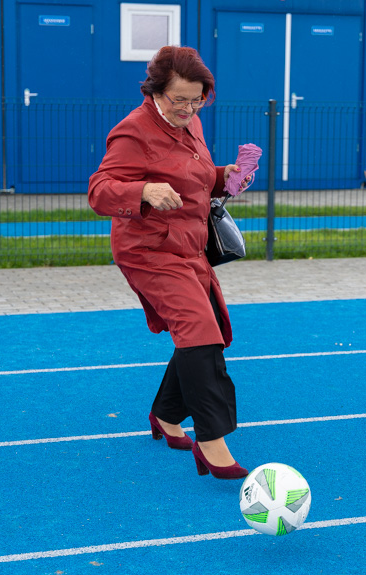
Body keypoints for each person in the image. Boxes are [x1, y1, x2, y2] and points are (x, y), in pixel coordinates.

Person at [88, 46, 250, 480]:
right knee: (198, 329)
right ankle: (212, 442)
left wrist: (225, 176)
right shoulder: (132, 132)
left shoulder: (191, 123)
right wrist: (142, 192)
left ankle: (164, 415)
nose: (188, 107)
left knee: (205, 325)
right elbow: (99, 190)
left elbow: (194, 177)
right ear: (156, 91)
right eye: (179, 98)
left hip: (189, 247)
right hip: (149, 250)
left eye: (197, 99)